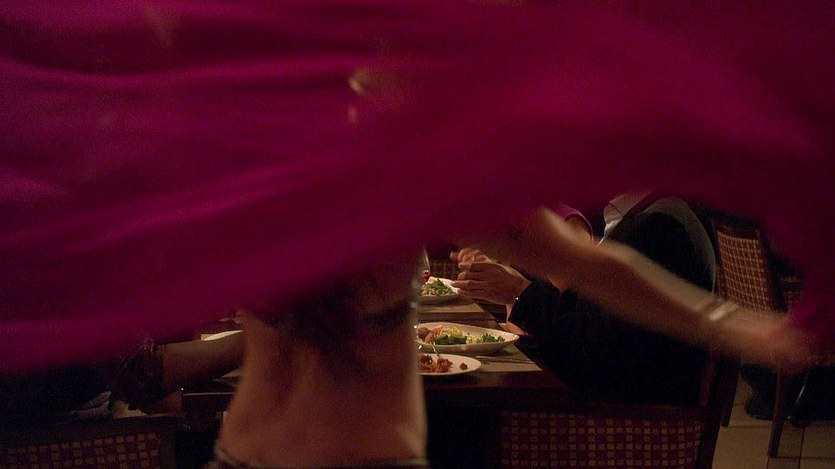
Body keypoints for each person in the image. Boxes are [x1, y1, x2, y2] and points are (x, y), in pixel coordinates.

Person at [453, 192, 716, 405]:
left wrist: (521, 294)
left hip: (626, 415)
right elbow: (592, 320)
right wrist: (519, 294)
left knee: (465, 401)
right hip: (605, 388)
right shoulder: (643, 216)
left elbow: (605, 351)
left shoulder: (660, 226)